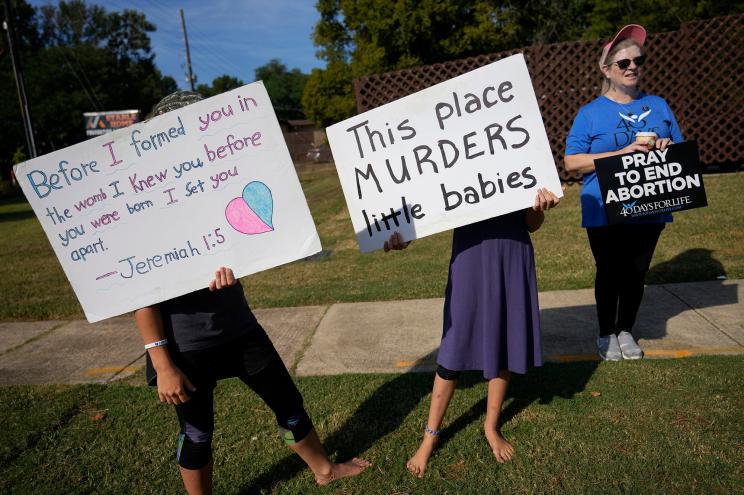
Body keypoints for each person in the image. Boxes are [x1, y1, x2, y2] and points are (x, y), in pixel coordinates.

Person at [135, 91, 369, 494]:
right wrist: (163, 365)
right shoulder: (147, 211)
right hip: (184, 349)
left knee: (289, 406)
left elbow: (253, 237)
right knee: (197, 434)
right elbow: (140, 296)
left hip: (240, 330)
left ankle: (324, 470)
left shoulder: (218, 188)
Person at [385, 187, 560, 477]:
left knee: (505, 338)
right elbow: (431, 202)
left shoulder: (520, 152)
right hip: (469, 256)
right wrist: (405, 236)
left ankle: (491, 426)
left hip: (512, 254)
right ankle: (430, 436)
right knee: (455, 345)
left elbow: (531, 224)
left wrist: (540, 207)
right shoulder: (453, 152)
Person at [563, 24, 684, 361]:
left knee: (636, 272)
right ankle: (606, 333)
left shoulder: (659, 105)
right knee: (610, 271)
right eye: (623, 63)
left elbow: (681, 150)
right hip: (605, 206)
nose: (633, 68)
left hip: (652, 202)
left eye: (638, 61)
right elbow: (572, 162)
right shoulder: (589, 113)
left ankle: (626, 329)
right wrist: (622, 153)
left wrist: (667, 145)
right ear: (607, 70)